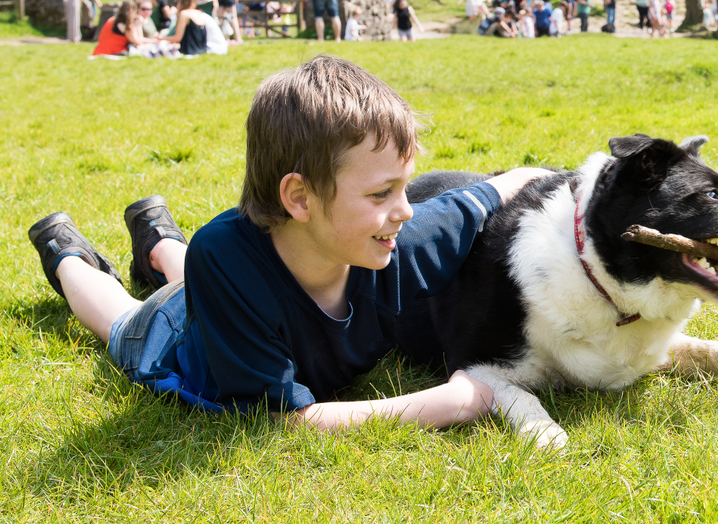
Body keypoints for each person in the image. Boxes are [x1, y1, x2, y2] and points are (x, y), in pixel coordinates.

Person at [26, 58, 549, 432]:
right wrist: (457, 401)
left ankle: (157, 237)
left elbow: (478, 198)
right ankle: (64, 251)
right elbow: (287, 421)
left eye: (404, 187)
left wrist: (547, 177)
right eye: (380, 192)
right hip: (174, 333)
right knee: (123, 320)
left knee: (192, 280)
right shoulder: (225, 260)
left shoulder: (394, 240)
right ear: (299, 196)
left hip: (219, 290)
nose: (406, 209)